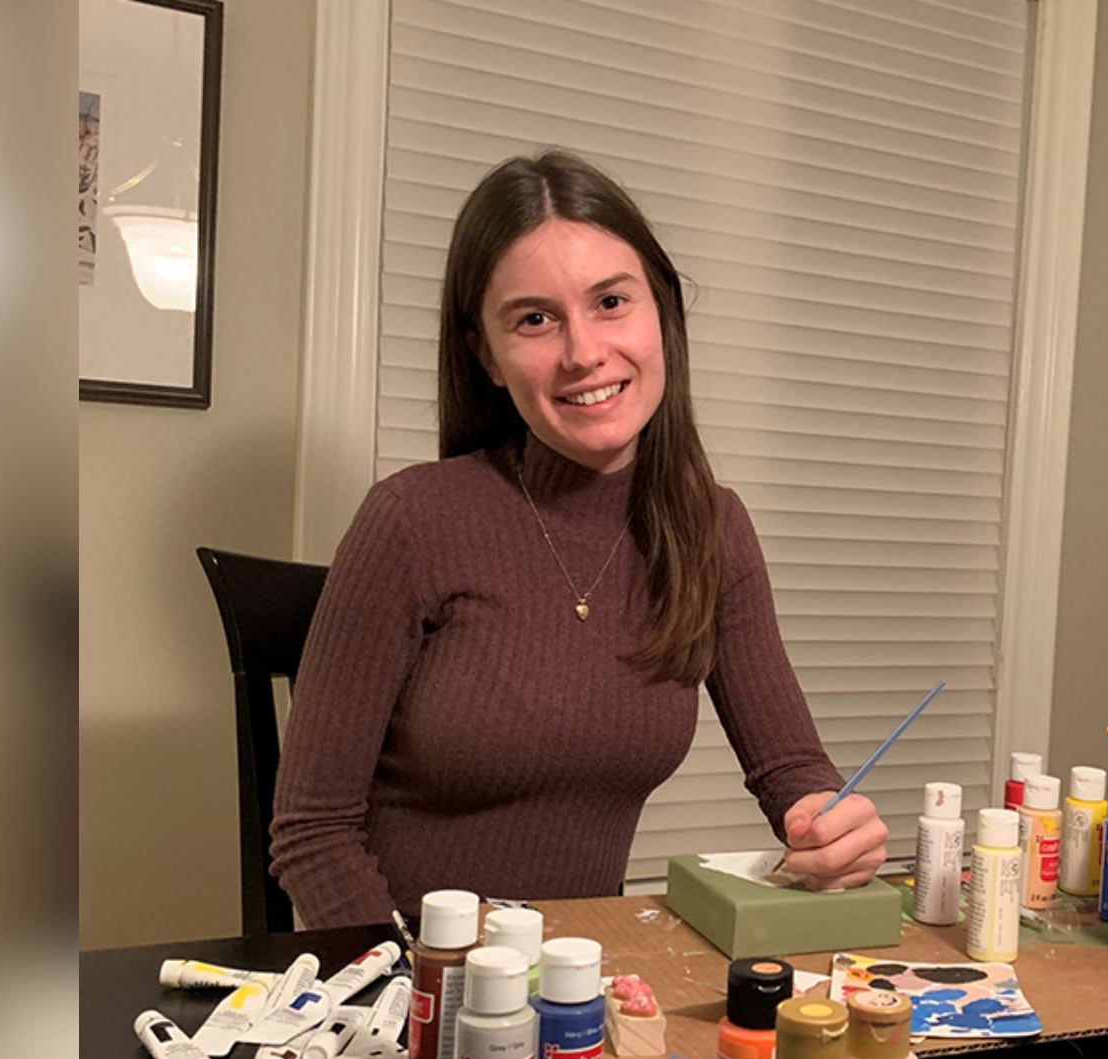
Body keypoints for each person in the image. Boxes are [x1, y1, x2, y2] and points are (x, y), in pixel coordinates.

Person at [269, 150, 887, 929]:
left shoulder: (712, 527)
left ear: (660, 310)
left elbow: (793, 773)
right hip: (416, 1001)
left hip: (579, 995)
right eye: (535, 318)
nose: (584, 352)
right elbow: (312, 833)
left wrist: (833, 831)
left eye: (610, 302)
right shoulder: (411, 521)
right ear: (485, 356)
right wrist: (414, 999)